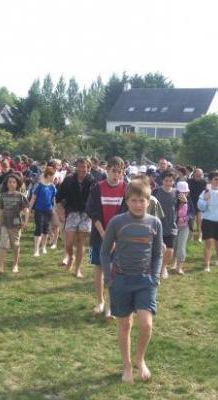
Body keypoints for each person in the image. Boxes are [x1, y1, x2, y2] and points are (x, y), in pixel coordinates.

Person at [100, 180, 163, 383]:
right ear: (127, 201)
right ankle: (126, 365)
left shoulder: (155, 223)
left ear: (148, 201)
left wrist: (155, 277)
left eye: (142, 200)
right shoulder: (117, 222)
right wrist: (109, 279)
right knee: (125, 324)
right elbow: (103, 251)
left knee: (145, 324)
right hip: (121, 280)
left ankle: (140, 359)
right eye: (134, 200)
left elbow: (157, 254)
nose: (138, 204)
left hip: (145, 280)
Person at [86, 156, 126, 319]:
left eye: (119, 171)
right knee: (99, 267)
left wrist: (115, 239)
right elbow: (93, 213)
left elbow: (126, 214)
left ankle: (111, 305)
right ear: (107, 170)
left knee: (115, 270)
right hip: (98, 234)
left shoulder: (126, 188)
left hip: (120, 236)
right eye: (113, 171)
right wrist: (105, 235)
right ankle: (100, 301)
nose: (116, 174)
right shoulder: (97, 188)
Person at [56, 158, 95, 278]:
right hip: (72, 212)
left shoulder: (92, 181)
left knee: (81, 243)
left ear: (89, 168)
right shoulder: (68, 180)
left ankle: (77, 269)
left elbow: (95, 199)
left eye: (85, 167)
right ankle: (70, 257)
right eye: (81, 166)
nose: (83, 169)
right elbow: (58, 197)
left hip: (86, 214)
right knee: (68, 243)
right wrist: (60, 211)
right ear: (76, 167)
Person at [0, 174, 30, 274]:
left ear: (17, 184)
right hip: (5, 224)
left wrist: (26, 222)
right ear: (6, 184)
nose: (11, 184)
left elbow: (26, 210)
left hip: (16, 224)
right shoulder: (3, 196)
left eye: (13, 182)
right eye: (9, 182)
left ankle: (15, 264)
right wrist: (0, 222)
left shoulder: (20, 196)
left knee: (15, 245)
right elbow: (1, 210)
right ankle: (1, 266)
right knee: (3, 244)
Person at [153, 170, 177, 279]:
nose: (168, 183)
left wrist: (184, 202)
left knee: (169, 250)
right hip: (156, 225)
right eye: (166, 180)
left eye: (170, 181)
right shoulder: (155, 191)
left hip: (171, 225)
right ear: (162, 180)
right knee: (156, 248)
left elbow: (180, 208)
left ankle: (163, 267)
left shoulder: (177, 193)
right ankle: (154, 268)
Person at [29, 166, 57, 257]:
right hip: (39, 210)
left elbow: (54, 200)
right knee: (38, 228)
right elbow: (33, 198)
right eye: (53, 176)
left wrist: (55, 210)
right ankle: (36, 250)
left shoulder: (52, 187)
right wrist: (29, 210)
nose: (54, 178)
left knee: (45, 229)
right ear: (48, 175)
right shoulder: (39, 185)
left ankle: (43, 247)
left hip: (48, 210)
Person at [173, 181, 195, 275]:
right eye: (181, 192)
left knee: (181, 246)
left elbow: (192, 213)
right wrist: (182, 203)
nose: (184, 194)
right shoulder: (173, 200)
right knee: (174, 245)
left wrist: (186, 218)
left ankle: (179, 267)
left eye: (185, 192)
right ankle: (172, 262)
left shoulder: (189, 200)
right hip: (173, 227)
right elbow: (173, 212)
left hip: (184, 227)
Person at [188, 168, 207, 242]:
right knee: (191, 221)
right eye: (197, 175)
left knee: (200, 221)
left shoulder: (204, 182)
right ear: (193, 175)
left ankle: (200, 236)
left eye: (200, 175)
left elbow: (205, 193)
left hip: (200, 203)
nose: (199, 177)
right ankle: (191, 236)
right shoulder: (189, 182)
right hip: (191, 203)